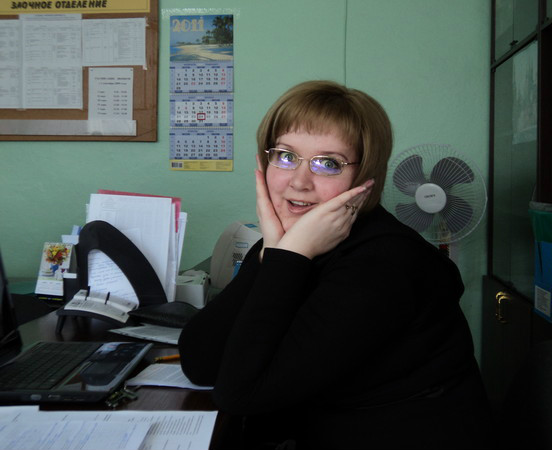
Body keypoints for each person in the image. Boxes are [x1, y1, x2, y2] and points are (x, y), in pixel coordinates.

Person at [179, 80, 492, 449]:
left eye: (328, 163)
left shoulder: (385, 266)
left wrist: (287, 259)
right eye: (285, 155)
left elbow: (239, 394)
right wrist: (270, 255)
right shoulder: (293, 241)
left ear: (365, 178)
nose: (299, 181)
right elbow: (199, 363)